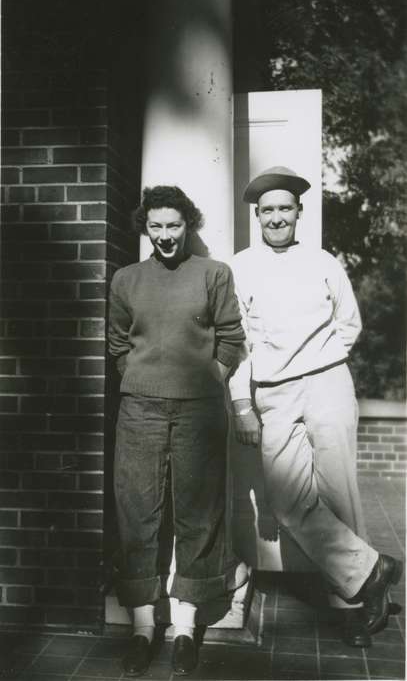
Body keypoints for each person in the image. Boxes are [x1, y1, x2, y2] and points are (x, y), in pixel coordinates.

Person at [228, 166, 403, 648]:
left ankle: (356, 608)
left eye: (285, 209)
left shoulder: (324, 261)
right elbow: (237, 344)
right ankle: (374, 571)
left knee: (339, 490)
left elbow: (349, 323)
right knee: (287, 501)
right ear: (256, 216)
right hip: (273, 393)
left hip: (327, 383)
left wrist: (321, 361)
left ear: (299, 212)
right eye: (268, 211)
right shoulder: (240, 266)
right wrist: (242, 402)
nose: (277, 218)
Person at [108, 185, 245, 676]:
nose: (165, 236)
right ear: (145, 227)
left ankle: (185, 629)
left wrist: (212, 377)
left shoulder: (213, 274)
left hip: (199, 413)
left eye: (174, 226)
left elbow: (231, 337)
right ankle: (143, 629)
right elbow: (118, 342)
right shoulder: (126, 279)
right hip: (139, 410)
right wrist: (139, 379)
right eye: (156, 226)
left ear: (189, 225)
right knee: (137, 511)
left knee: (197, 514)